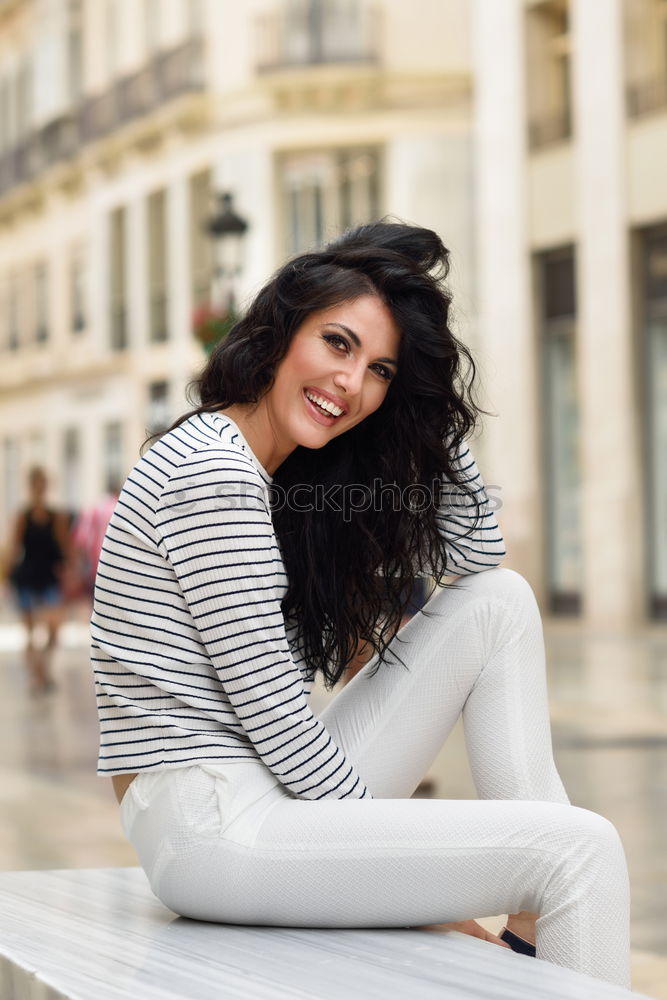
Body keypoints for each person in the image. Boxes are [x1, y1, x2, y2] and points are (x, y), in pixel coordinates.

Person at [91, 222, 631, 988]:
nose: (351, 383)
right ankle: (536, 938)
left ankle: (530, 936)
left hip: (247, 801)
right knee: (579, 850)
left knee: (499, 604)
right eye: (336, 344)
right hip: (210, 826)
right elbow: (282, 730)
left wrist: (427, 415)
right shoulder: (213, 472)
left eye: (378, 370)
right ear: (281, 332)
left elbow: (478, 560)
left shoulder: (268, 472)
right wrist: (418, 897)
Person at [6, 466, 70, 693]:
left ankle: (42, 669)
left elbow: (65, 548)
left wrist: (70, 574)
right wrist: (5, 579)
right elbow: (13, 550)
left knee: (54, 629)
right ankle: (37, 677)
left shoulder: (57, 516)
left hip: (49, 578)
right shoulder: (22, 516)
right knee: (30, 632)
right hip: (27, 578)